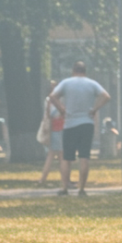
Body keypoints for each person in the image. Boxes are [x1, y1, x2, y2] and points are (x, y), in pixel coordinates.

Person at [50, 62, 110, 197]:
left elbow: (53, 97)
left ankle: (64, 188)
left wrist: (61, 109)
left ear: (73, 71)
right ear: (85, 71)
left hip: (70, 124)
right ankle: (82, 189)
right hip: (87, 123)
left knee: (67, 158)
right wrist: (94, 109)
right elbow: (106, 96)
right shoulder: (92, 83)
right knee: (84, 157)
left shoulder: (66, 83)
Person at [36, 80, 66, 188]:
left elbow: (49, 114)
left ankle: (43, 179)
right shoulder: (56, 100)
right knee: (60, 155)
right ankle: (64, 180)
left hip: (54, 129)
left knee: (52, 154)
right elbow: (60, 113)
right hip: (59, 128)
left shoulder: (48, 100)